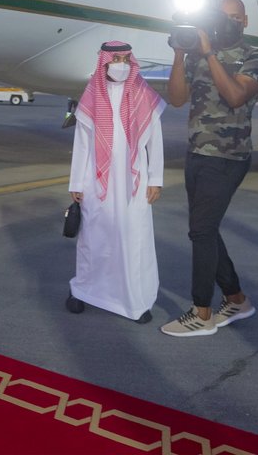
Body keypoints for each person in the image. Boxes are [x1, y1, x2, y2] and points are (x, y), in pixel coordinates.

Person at [161, 0, 258, 337]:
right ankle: (236, 299)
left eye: (236, 17)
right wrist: (180, 51)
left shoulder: (254, 56)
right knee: (204, 229)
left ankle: (202, 312)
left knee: (201, 230)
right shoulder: (195, 54)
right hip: (197, 153)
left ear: (245, 21)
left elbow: (236, 96)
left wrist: (209, 54)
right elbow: (177, 98)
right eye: (224, 17)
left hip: (228, 157)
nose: (229, 22)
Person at [66, 41, 165, 323]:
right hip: (96, 182)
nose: (120, 64)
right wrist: (76, 182)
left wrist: (155, 179)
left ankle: (136, 300)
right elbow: (82, 141)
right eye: (115, 59)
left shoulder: (142, 93)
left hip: (135, 182)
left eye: (125, 58)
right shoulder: (92, 94)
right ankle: (86, 291)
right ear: (104, 62)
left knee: (134, 239)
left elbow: (154, 141)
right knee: (95, 238)